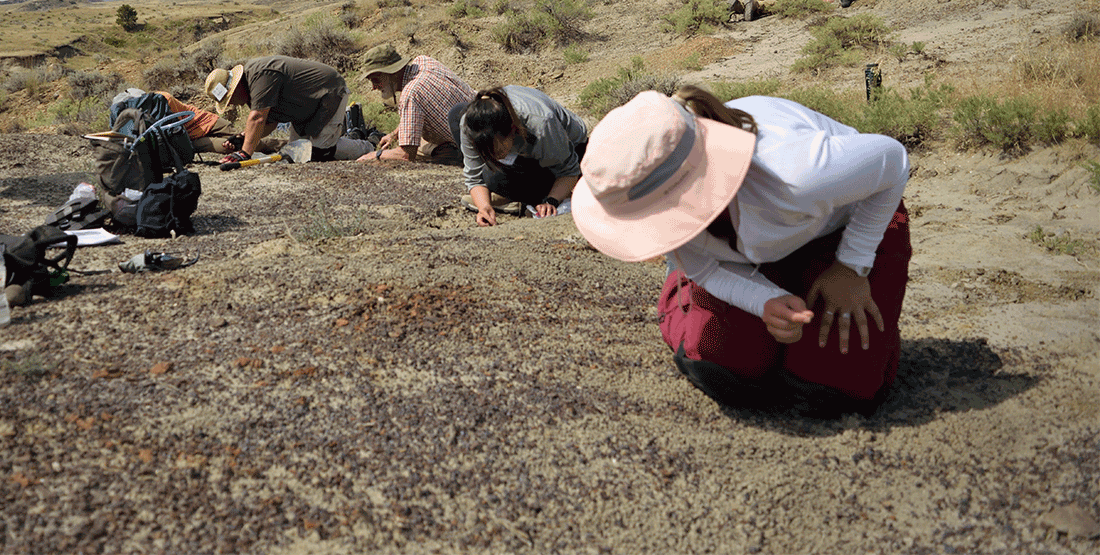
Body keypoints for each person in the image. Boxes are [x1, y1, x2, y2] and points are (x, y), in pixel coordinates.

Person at [571, 87, 911, 414]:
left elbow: (893, 161)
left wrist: (852, 267)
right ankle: (681, 291)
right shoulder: (668, 207)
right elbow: (706, 268)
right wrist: (765, 302)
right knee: (724, 369)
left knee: (837, 389)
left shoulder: (795, 173)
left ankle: (810, 294)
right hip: (751, 249)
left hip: (846, 229)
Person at [453, 86, 588, 226]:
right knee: (455, 113)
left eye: (498, 151)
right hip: (524, 156)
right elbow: (474, 177)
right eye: (488, 154)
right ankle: (517, 196)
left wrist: (551, 201)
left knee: (492, 177)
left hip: (573, 149)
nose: (494, 157)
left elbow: (569, 170)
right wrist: (484, 208)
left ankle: (535, 197)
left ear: (511, 131)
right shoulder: (469, 125)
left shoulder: (540, 124)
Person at [203, 55, 375, 164]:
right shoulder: (251, 90)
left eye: (229, 99)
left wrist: (244, 154)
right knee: (300, 153)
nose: (232, 104)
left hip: (329, 93)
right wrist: (242, 138)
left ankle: (369, 145)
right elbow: (269, 123)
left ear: (235, 87)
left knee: (320, 151)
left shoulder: (259, 75)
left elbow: (258, 119)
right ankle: (355, 136)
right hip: (307, 107)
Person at [355, 44, 475, 165]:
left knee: (419, 149)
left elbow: (406, 154)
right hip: (484, 117)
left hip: (477, 144)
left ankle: (453, 156)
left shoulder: (410, 93)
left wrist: (375, 155)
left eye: (376, 80)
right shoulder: (424, 62)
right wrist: (395, 133)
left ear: (391, 72)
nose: (374, 87)